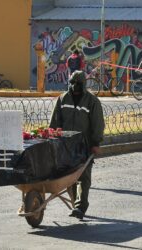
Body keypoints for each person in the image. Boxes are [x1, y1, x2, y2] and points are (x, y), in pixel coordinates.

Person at [49, 70, 105, 220]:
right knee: (69, 177)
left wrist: (96, 142)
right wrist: (52, 136)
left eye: (78, 84)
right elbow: (55, 121)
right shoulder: (62, 99)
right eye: (72, 83)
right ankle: (76, 205)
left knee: (83, 177)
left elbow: (97, 124)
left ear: (83, 84)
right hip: (65, 146)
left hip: (84, 146)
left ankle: (80, 207)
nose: (74, 87)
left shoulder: (92, 101)